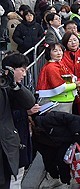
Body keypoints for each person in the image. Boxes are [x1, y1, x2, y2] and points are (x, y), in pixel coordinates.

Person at [0, 53, 36, 189]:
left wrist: (14, 85)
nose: (25, 74)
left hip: (12, 145)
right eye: (22, 70)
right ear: (10, 69)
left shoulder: (11, 88)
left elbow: (29, 101)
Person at [36, 42, 80, 113]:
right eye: (55, 51)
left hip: (64, 100)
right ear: (49, 53)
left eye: (60, 50)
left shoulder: (59, 63)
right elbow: (59, 86)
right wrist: (75, 85)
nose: (59, 53)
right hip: (58, 102)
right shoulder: (51, 67)